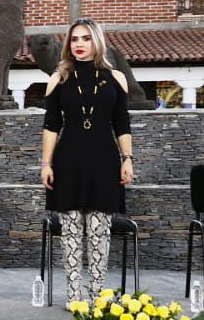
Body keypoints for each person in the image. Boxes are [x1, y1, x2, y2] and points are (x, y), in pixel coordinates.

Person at [40, 20, 134, 304]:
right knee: (69, 232)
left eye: (86, 39)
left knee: (99, 232)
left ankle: (97, 296)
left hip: (105, 161)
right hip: (67, 161)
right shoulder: (58, 79)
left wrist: (128, 158)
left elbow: (122, 123)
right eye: (74, 39)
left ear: (97, 42)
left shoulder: (116, 77)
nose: (79, 44)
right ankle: (73, 295)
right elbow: (51, 125)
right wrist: (46, 164)